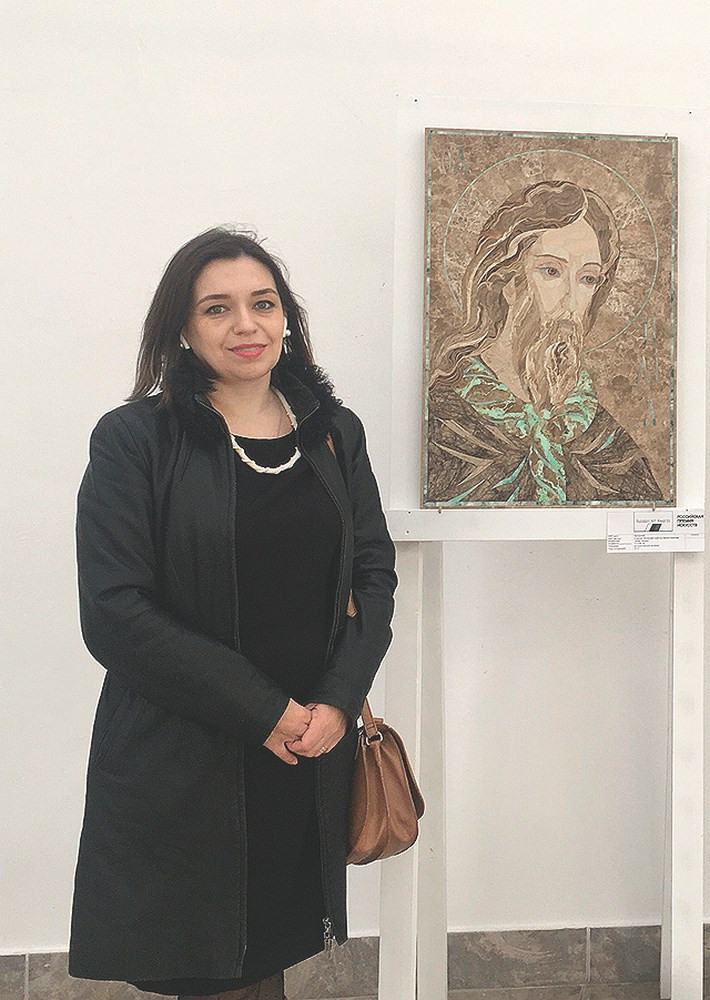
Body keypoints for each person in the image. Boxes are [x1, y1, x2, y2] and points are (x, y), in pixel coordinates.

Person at [67, 227, 398, 1000]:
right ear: (183, 329)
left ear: (287, 318)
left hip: (306, 750)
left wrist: (337, 701)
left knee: (269, 954)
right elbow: (114, 611)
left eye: (263, 303)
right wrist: (264, 710)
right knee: (205, 969)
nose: (246, 325)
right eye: (217, 309)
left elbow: (373, 576)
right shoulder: (135, 439)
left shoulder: (334, 433)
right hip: (186, 753)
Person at [427, 179, 663, 505]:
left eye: (588, 278)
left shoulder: (606, 441)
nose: (571, 301)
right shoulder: (443, 421)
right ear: (506, 281)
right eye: (551, 271)